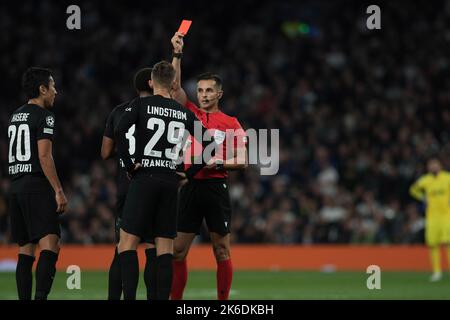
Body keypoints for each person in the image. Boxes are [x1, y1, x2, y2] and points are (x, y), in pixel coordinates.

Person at [114, 60, 213, 300]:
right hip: (170, 181)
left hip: (144, 176)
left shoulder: (140, 104)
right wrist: (188, 173)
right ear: (173, 84)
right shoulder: (183, 112)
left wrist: (129, 165)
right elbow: (210, 145)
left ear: (151, 82)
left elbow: (119, 131)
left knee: (126, 244)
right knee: (164, 248)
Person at [170, 32, 248, 300]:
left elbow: (243, 161)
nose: (203, 95)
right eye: (200, 90)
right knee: (178, 251)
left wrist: (221, 162)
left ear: (219, 93)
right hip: (191, 186)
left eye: (209, 90)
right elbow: (173, 87)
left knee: (222, 251)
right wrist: (177, 54)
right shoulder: (189, 111)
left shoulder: (232, 123)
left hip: (216, 186)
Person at [7, 67, 68, 300]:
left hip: (16, 187)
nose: (56, 91)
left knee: (26, 251)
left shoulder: (15, 115)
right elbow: (44, 156)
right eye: (52, 86)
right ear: (42, 89)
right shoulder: (45, 116)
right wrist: (58, 190)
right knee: (50, 245)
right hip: (36, 186)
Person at [101, 67, 157, 299]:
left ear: (136, 88)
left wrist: (125, 156)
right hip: (153, 183)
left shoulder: (119, 111)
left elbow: (105, 152)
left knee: (123, 249)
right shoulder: (160, 111)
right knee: (154, 250)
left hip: (126, 186)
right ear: (153, 84)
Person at [410, 156, 450, 282]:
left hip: (446, 216)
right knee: (433, 244)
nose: (433, 166)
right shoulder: (425, 180)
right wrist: (422, 197)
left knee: (448, 243)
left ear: (440, 165)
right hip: (432, 217)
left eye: (435, 164)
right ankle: (437, 272)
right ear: (428, 167)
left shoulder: (447, 177)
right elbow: (413, 190)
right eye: (431, 165)